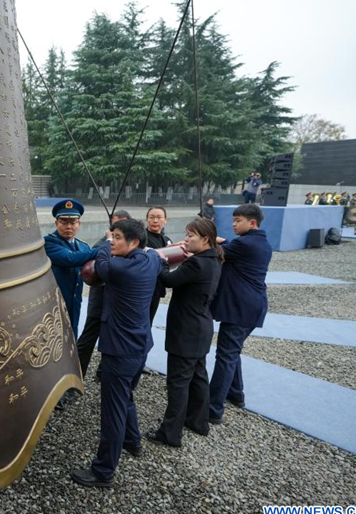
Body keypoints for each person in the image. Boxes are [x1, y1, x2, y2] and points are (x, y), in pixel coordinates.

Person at [71, 219, 163, 487]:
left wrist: (103, 241)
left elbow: (101, 261)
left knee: (112, 412)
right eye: (113, 236)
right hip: (140, 347)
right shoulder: (150, 261)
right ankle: (133, 442)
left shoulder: (120, 268)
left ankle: (103, 471)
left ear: (134, 243)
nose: (113, 241)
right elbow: (159, 257)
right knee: (126, 398)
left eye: (118, 237)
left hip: (119, 351)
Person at [146, 218, 223, 448]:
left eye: (191, 236)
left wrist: (159, 259)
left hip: (186, 331)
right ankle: (199, 422)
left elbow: (168, 280)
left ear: (205, 239)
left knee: (178, 383)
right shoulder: (214, 259)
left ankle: (170, 433)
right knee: (198, 377)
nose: (186, 239)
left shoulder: (195, 264)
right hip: (201, 328)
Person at [208, 204, 272, 424]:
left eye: (237, 221)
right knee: (231, 352)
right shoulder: (260, 241)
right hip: (251, 307)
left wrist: (206, 235)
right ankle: (236, 393)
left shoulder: (243, 244)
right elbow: (224, 244)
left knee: (225, 356)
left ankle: (212, 408)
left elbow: (214, 249)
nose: (233, 224)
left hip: (240, 309)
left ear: (252, 223)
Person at [76, 209, 132, 380]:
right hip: (100, 300)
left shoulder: (131, 246)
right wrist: (109, 242)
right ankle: (76, 376)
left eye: (123, 223)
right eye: (116, 223)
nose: (119, 227)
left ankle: (104, 373)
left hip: (118, 302)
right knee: (88, 337)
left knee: (113, 340)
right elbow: (95, 263)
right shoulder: (104, 243)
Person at [44, 199, 97, 338]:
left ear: (78, 224)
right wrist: (103, 249)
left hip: (75, 300)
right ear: (56, 223)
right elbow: (70, 258)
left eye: (73, 223)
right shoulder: (49, 242)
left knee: (72, 332)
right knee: (54, 337)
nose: (69, 226)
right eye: (64, 222)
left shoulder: (83, 246)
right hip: (55, 301)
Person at [145, 207, 172, 325]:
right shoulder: (141, 238)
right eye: (152, 217)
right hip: (144, 287)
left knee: (149, 322)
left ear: (165, 220)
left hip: (157, 287)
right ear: (147, 220)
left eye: (159, 217)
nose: (155, 221)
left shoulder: (167, 240)